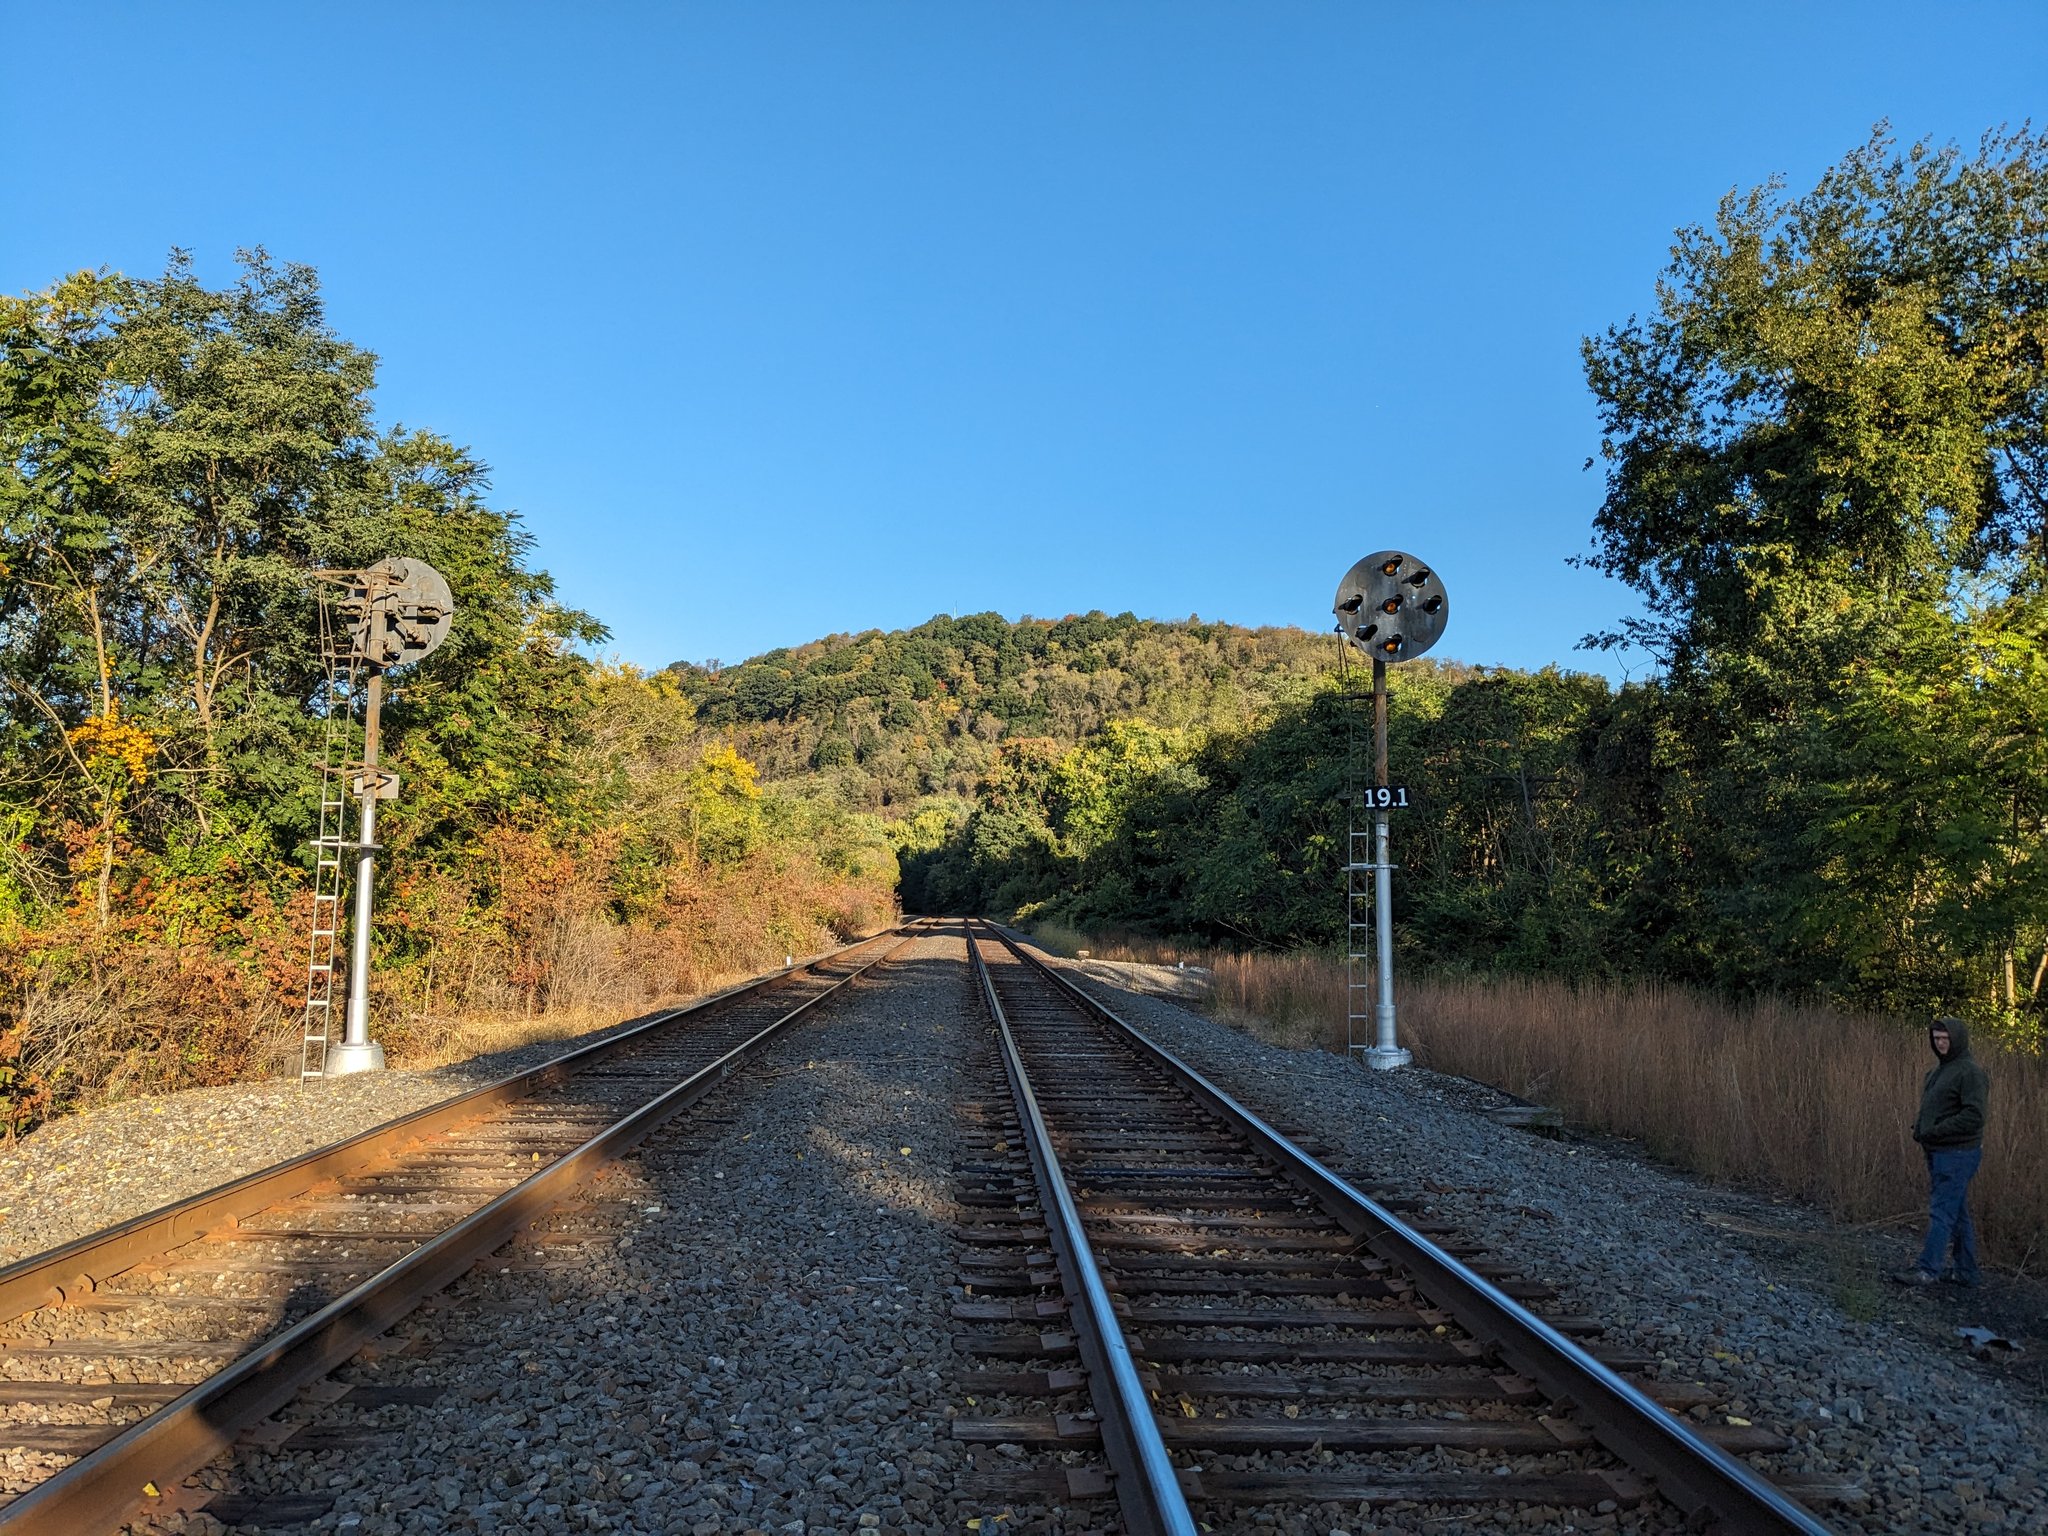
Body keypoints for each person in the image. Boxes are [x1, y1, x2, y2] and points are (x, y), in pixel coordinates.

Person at [1893, 1016, 1989, 1288]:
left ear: (1958, 1039)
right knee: (1957, 1213)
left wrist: (1935, 1130)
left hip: (1957, 1153)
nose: (1941, 1044)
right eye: (1937, 1039)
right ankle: (1965, 1272)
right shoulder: (1939, 1071)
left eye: (1946, 1039)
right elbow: (1940, 1108)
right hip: (1939, 1151)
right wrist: (1922, 1127)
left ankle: (1927, 1270)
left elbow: (1974, 1116)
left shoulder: (1969, 1072)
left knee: (1941, 1213)